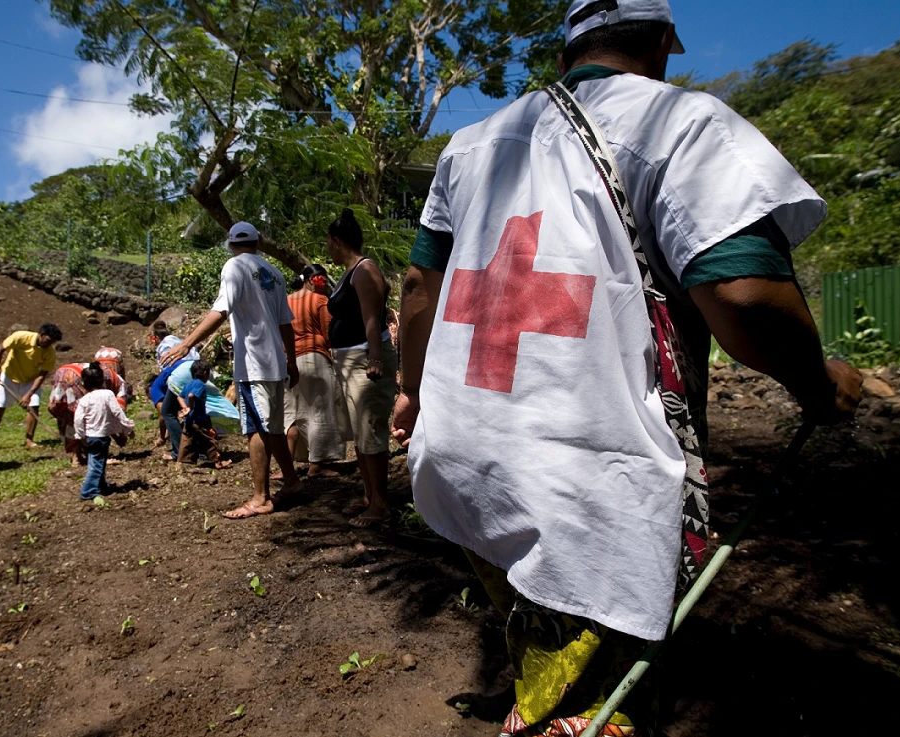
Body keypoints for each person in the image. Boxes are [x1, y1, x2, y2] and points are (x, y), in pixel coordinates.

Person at [392, 2, 864, 734]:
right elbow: (744, 292)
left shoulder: (471, 145)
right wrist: (816, 380)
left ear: (565, 53)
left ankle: (540, 688)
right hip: (579, 483)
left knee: (532, 611)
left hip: (460, 453)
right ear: (665, 42)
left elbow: (420, 289)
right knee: (589, 699)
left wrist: (414, 391)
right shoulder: (682, 124)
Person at [162, 221, 303, 518]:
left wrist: (187, 343)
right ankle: (291, 482)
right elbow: (285, 323)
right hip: (275, 363)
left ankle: (260, 498)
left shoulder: (234, 267)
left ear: (231, 244)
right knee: (272, 428)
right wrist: (291, 360)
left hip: (254, 365)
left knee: (256, 429)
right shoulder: (274, 273)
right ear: (256, 242)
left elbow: (221, 310)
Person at [326, 209, 398, 528]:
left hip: (364, 360)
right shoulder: (349, 271)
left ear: (337, 241)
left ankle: (381, 505)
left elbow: (372, 319)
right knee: (358, 434)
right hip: (347, 361)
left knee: (370, 431)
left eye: (329, 242)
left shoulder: (365, 270)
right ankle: (369, 495)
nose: (327, 246)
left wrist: (375, 359)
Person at [281, 263, 347, 478]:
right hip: (314, 358)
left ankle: (287, 466)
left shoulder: (287, 301)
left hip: (290, 360)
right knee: (319, 410)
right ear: (313, 280)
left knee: (295, 412)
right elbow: (329, 334)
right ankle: (316, 464)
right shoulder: (320, 300)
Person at [0, 323, 62, 453]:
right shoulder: (20, 337)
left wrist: (29, 394)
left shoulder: (49, 352)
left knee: (34, 407)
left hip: (30, 379)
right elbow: (1, 348)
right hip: (9, 375)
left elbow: (42, 374)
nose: (50, 344)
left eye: (53, 342)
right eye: (48, 340)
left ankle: (29, 440)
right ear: (41, 335)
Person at [48, 358, 127, 466]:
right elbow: (112, 414)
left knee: (69, 415)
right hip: (76, 377)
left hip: (63, 372)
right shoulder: (118, 387)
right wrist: (120, 436)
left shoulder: (111, 379)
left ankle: (76, 457)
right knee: (89, 418)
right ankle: (97, 458)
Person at [73, 363, 135, 501]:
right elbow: (117, 412)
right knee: (96, 465)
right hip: (100, 436)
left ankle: (102, 485)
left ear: (83, 384)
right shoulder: (108, 394)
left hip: (89, 436)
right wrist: (128, 428)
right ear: (103, 381)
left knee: (96, 462)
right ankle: (88, 491)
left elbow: (78, 419)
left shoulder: (84, 399)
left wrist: (80, 435)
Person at [176, 360, 232, 469]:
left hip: (188, 420)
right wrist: (190, 408)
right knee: (210, 441)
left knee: (186, 442)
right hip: (199, 419)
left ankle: (180, 464)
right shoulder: (200, 384)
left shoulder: (189, 384)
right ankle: (218, 462)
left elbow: (179, 396)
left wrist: (184, 408)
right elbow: (192, 396)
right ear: (205, 373)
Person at [148, 363, 183, 459]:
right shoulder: (166, 383)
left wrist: (162, 437)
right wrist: (169, 432)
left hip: (182, 375)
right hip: (194, 369)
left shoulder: (154, 388)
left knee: (166, 413)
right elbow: (172, 415)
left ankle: (179, 452)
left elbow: (163, 416)